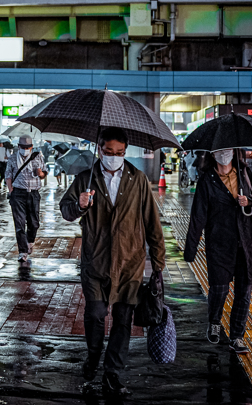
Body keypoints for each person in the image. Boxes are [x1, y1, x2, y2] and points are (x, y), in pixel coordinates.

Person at [59, 127, 166, 397]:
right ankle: (94, 354)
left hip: (130, 263)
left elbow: (152, 222)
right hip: (95, 260)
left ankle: (113, 373)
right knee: (95, 314)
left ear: (125, 151)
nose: (114, 157)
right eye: (108, 152)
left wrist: (158, 262)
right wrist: (80, 205)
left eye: (119, 153)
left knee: (123, 320)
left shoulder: (138, 180)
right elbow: (66, 210)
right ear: (99, 148)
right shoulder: (86, 178)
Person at [184, 147, 252, 356]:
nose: (224, 153)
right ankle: (214, 321)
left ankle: (237, 337)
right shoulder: (207, 180)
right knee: (219, 289)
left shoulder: (246, 174)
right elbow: (198, 217)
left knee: (243, 292)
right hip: (219, 244)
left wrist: (250, 201)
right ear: (213, 154)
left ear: (234, 152)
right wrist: (191, 249)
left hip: (246, 243)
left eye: (228, 149)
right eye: (220, 150)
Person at [6, 135, 46, 265]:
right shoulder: (12, 158)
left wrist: (40, 174)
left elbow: (44, 173)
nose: (25, 149)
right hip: (18, 194)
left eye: (28, 147)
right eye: (23, 147)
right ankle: (22, 252)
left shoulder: (38, 157)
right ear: (18, 147)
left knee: (34, 223)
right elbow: (8, 176)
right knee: (19, 224)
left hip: (34, 193)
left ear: (32, 147)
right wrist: (11, 190)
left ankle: (30, 241)